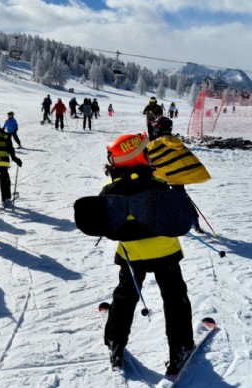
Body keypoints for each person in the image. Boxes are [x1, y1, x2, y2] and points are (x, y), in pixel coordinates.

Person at [100, 132, 195, 375]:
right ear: (138, 157)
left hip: (132, 257)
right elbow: (178, 216)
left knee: (125, 298)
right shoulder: (160, 184)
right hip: (166, 254)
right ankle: (180, 347)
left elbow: (108, 224)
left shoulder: (110, 190)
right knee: (175, 300)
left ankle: (116, 343)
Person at [148, 116, 211, 232]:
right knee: (182, 198)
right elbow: (186, 159)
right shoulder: (176, 142)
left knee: (162, 198)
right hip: (177, 178)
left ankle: (167, 221)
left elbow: (148, 159)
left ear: (158, 128)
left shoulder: (154, 144)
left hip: (162, 178)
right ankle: (194, 222)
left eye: (155, 126)